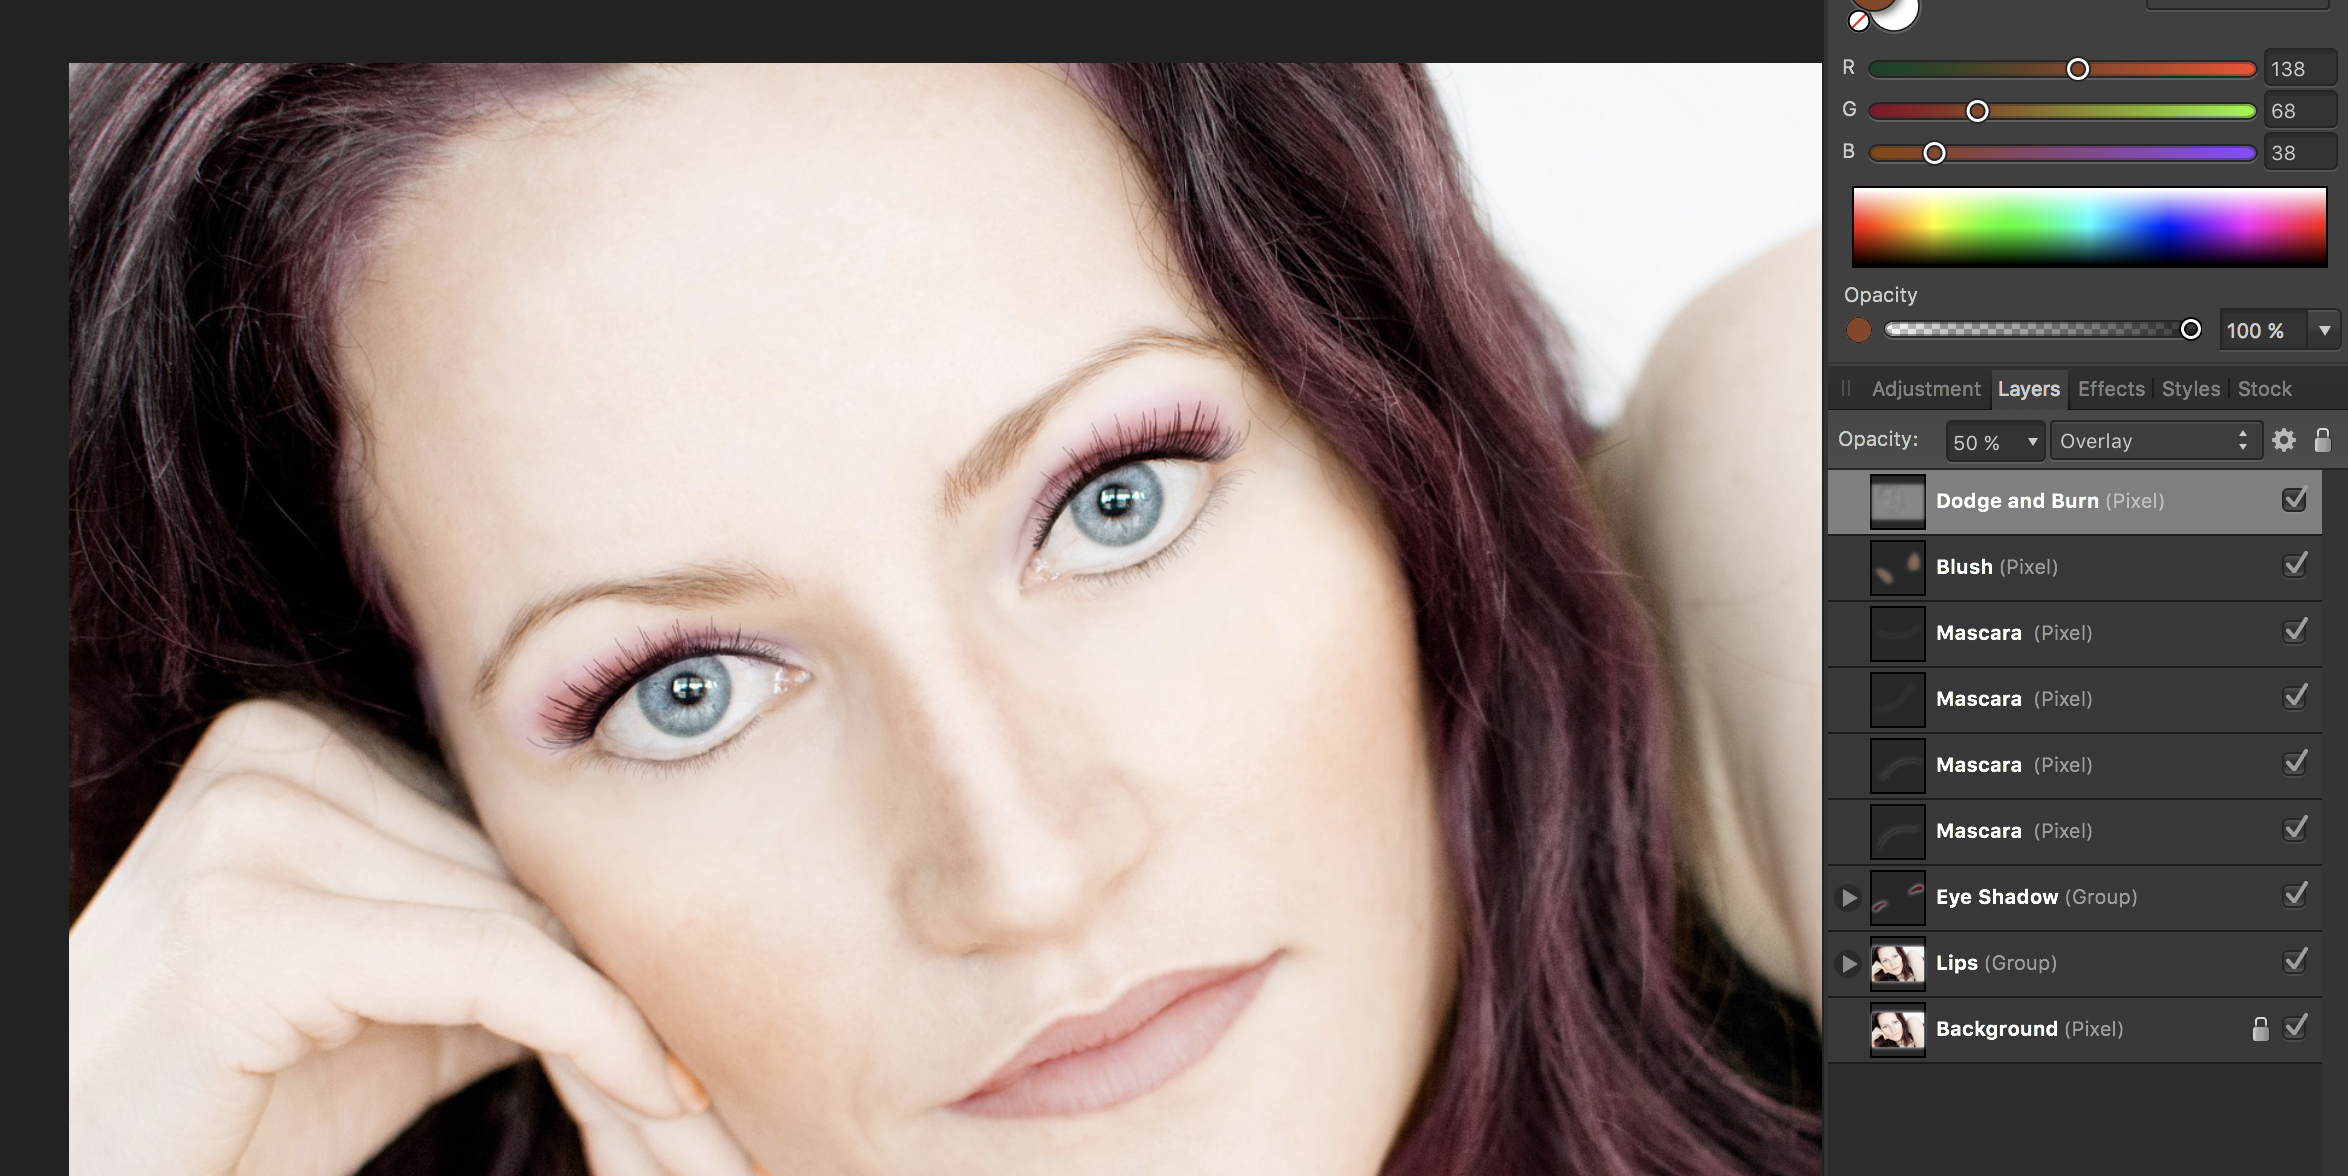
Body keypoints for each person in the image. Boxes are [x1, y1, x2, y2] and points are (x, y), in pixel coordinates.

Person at [68, 64, 1823, 1175]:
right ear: (423, 803)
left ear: (1391, 422)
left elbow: (2022, 157)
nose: (1025, 871)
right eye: (684, 691)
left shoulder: (1801, 475)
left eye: (1115, 498)